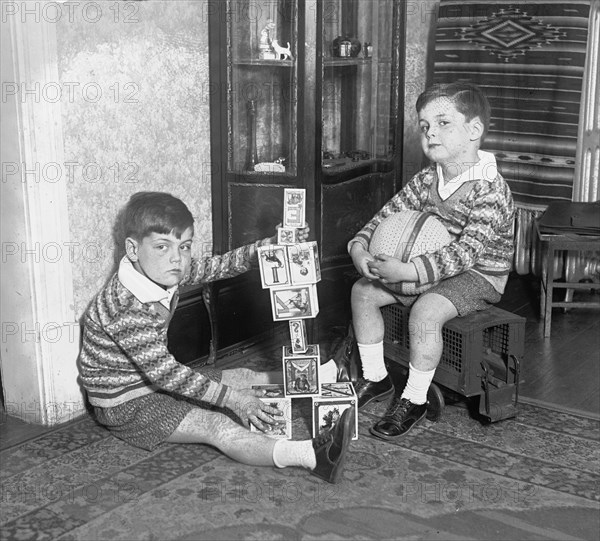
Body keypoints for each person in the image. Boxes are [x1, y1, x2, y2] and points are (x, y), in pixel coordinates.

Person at [78, 191, 354, 483]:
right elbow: (168, 376)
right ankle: (312, 456)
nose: (177, 258)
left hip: (151, 380)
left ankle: (322, 374)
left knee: (243, 375)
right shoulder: (125, 308)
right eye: (162, 246)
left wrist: (269, 247)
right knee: (216, 423)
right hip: (125, 404)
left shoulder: (162, 268)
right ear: (132, 249)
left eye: (184, 246)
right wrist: (234, 401)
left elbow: (217, 266)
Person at [348, 82, 515, 440]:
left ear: (474, 131)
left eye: (443, 123)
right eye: (425, 126)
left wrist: (408, 271)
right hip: (426, 266)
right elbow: (383, 217)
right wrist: (359, 248)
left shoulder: (490, 188)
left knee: (426, 310)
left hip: (478, 274)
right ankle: (375, 377)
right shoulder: (426, 179)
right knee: (362, 290)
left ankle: (415, 397)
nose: (430, 133)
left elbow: (466, 252)